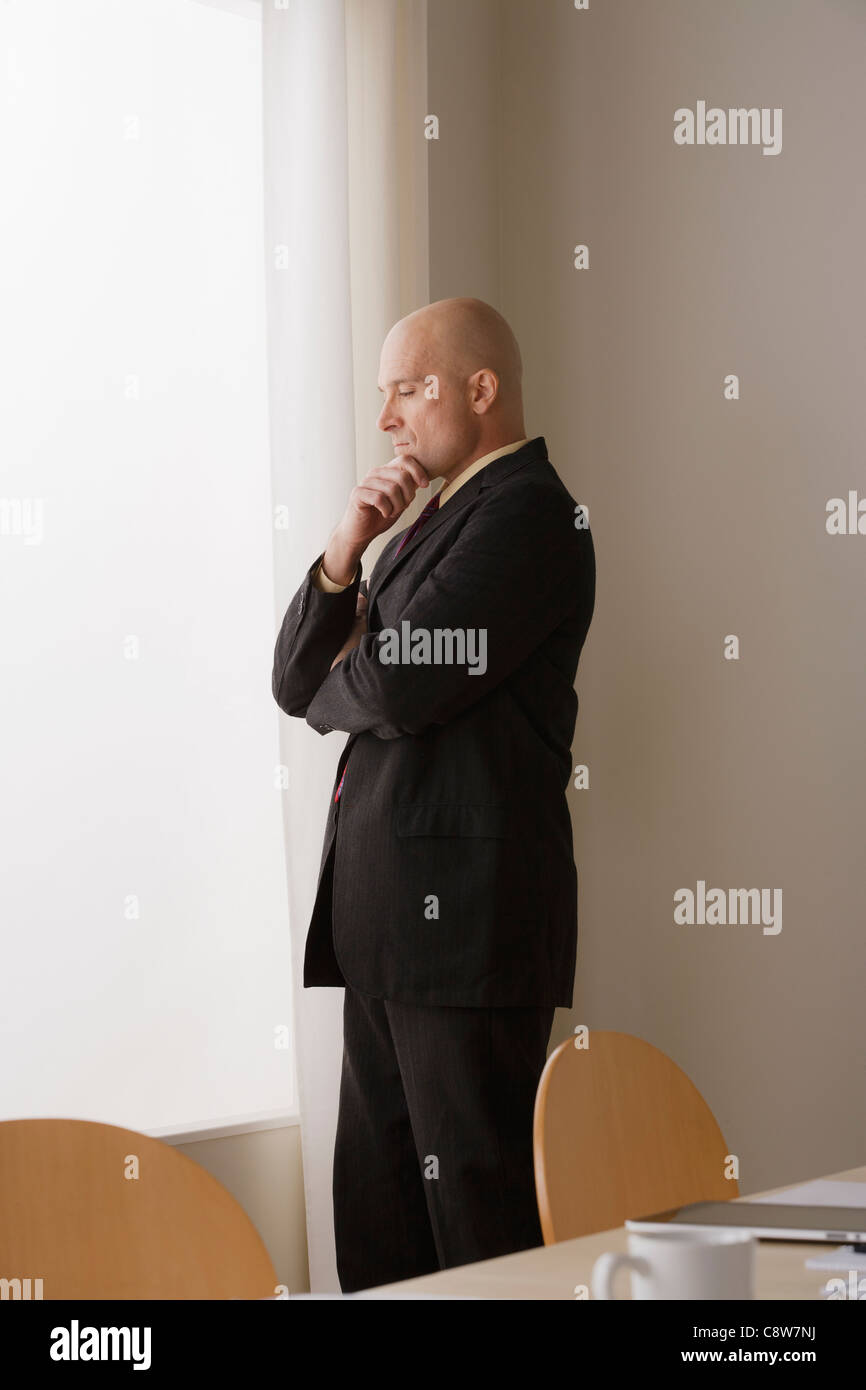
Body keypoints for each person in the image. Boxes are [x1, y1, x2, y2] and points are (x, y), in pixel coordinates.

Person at [272, 297, 595, 1292]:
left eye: (406, 389)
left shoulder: (532, 514)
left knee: (475, 1231)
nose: (387, 420)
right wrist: (344, 549)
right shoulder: (426, 523)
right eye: (383, 396)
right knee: (378, 1231)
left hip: (466, 936)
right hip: (382, 929)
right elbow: (295, 682)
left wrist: (358, 672)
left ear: (478, 389)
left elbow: (401, 680)